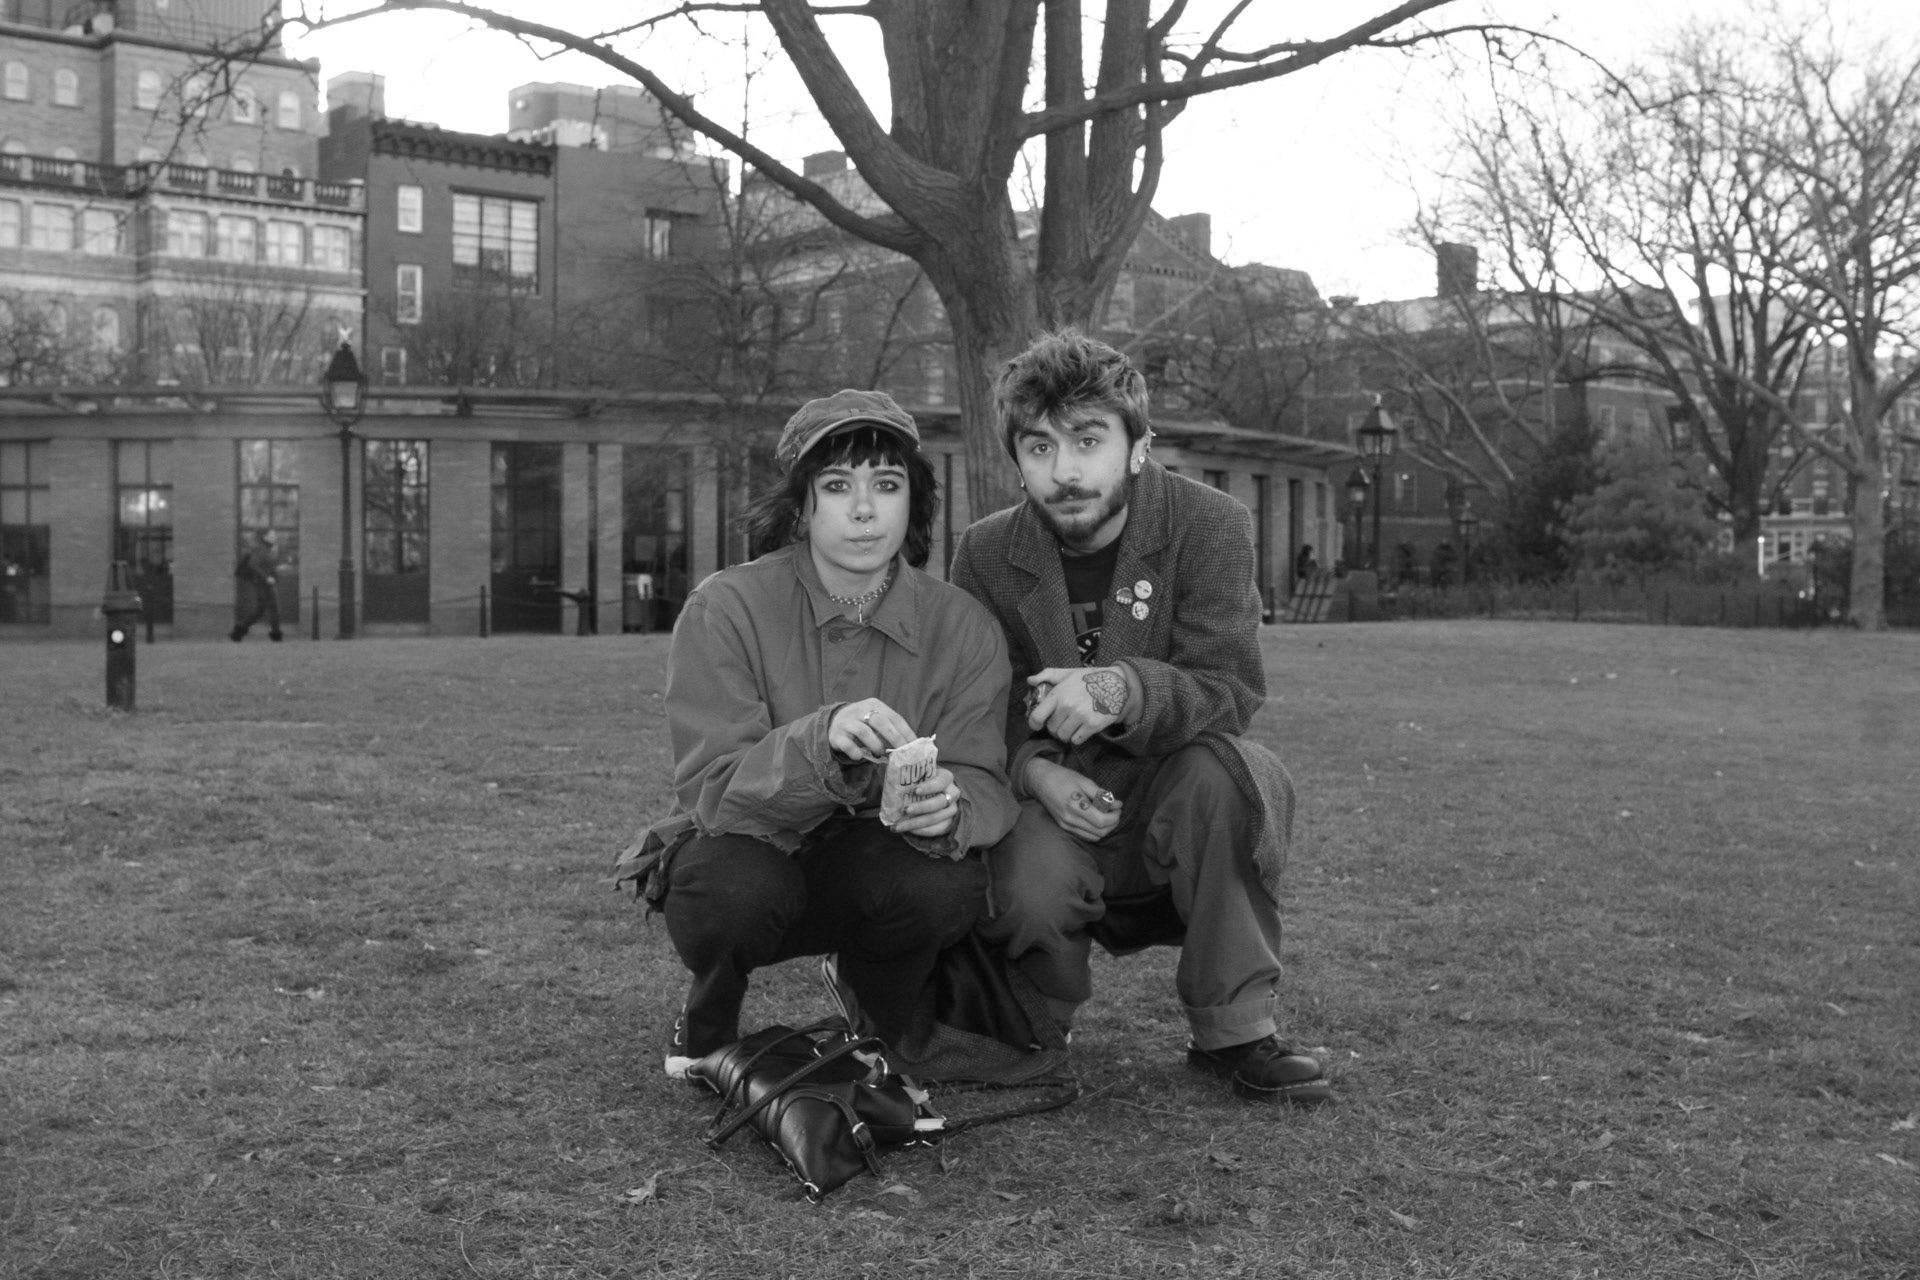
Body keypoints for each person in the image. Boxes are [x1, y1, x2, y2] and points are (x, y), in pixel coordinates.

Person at [950, 330, 1331, 1105]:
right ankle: (1032, 1028)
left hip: (1171, 800)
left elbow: (1229, 689)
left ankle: (1236, 1031)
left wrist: (1120, 689)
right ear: (1015, 459)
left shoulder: (1209, 524)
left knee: (1234, 773)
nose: (1065, 471)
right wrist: (1036, 771)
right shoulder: (986, 553)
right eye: (1039, 447)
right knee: (1022, 871)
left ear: (1136, 445)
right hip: (1052, 807)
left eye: (1088, 440)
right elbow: (972, 709)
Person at [624, 389, 1021, 1079]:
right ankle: (709, 1024)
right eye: (837, 486)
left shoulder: (964, 627)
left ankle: (882, 1025)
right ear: (801, 504)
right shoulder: (726, 607)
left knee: (944, 889)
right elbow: (714, 790)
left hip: (873, 862)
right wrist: (824, 737)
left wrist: (950, 807)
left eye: (887, 485)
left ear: (913, 501)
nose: (865, 509)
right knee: (732, 893)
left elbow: (985, 774)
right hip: (750, 850)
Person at [231, 529, 283, 642]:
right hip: (263, 584)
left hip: (262, 584)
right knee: (274, 609)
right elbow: (253, 564)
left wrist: (274, 571)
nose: (275, 536)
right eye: (272, 535)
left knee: (260, 610)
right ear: (265, 537)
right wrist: (266, 577)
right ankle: (276, 635)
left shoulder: (267, 548)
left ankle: (238, 631)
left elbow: (264, 565)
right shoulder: (262, 548)